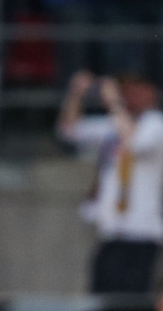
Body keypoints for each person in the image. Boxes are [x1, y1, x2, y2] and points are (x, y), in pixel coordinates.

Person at [56, 70, 163, 294]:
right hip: (110, 232)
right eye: (127, 90)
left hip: (140, 234)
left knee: (131, 302)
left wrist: (113, 102)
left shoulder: (155, 125)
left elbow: (134, 142)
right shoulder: (113, 127)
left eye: (138, 90)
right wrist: (76, 94)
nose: (132, 96)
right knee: (101, 297)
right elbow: (68, 130)